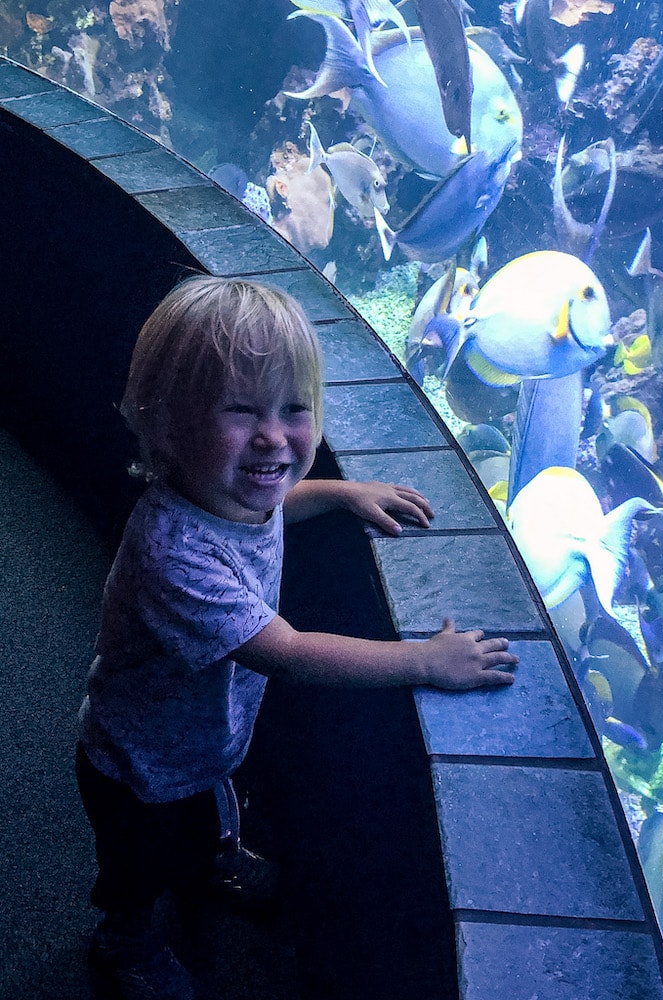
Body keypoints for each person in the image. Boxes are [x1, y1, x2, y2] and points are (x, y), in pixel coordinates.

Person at [76, 275, 519, 1000]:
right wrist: (425, 663)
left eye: (294, 409)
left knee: (212, 813)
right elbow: (289, 652)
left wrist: (341, 492)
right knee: (138, 868)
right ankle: (124, 943)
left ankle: (213, 859)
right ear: (169, 426)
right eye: (241, 410)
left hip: (200, 743)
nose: (273, 437)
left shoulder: (230, 487)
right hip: (139, 765)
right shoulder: (174, 553)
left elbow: (280, 499)